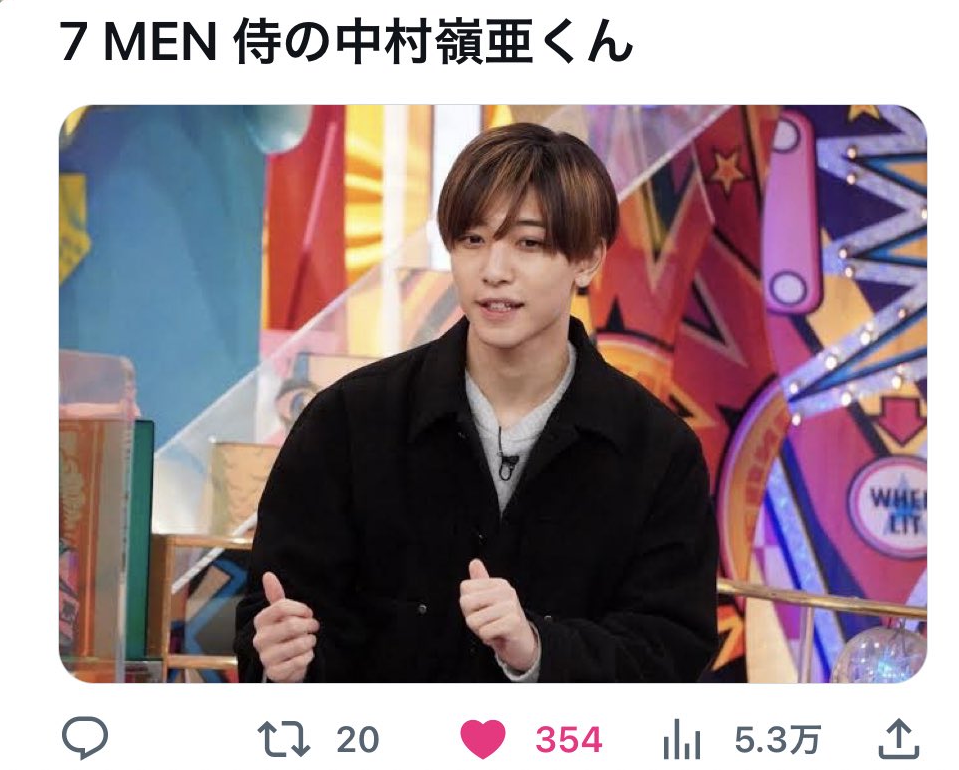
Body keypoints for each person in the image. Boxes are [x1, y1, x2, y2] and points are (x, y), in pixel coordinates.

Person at [234, 122, 719, 682]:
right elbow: (275, 614)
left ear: (587, 259)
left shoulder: (657, 451)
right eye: (473, 240)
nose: (493, 271)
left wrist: (538, 652)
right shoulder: (348, 421)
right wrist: (281, 666)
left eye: (528, 243)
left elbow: (670, 650)